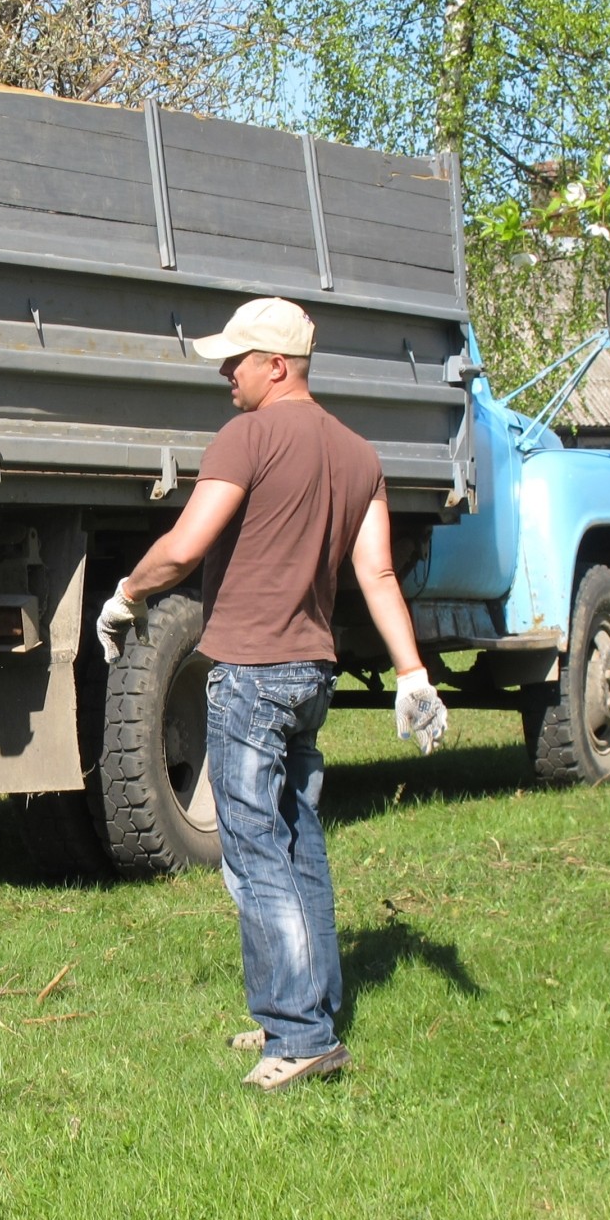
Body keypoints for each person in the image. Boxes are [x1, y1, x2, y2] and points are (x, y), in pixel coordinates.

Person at [95, 296, 449, 1092]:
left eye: (237, 360)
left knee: (256, 855)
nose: (226, 373)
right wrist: (412, 675)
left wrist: (128, 595)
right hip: (311, 676)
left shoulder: (247, 437)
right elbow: (379, 574)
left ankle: (300, 1037)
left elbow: (186, 545)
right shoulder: (359, 454)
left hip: (252, 677)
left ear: (277, 366)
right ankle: (298, 1011)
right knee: (297, 844)